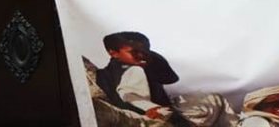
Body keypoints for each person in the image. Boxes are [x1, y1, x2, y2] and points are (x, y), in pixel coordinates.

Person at [95, 32, 233, 126]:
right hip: (153, 114)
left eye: (144, 51)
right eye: (134, 52)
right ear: (113, 53)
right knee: (213, 104)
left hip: (164, 106)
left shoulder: (141, 64)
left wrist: (150, 60)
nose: (141, 55)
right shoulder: (129, 71)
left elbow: (170, 78)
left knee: (214, 99)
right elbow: (129, 95)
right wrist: (154, 109)